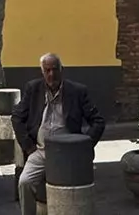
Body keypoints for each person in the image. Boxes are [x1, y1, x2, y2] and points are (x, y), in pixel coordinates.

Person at [12, 53, 104, 213]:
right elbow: (17, 117)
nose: (51, 74)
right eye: (47, 70)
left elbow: (98, 121)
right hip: (40, 151)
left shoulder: (77, 91)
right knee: (24, 182)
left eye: (55, 69)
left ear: (62, 70)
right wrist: (28, 146)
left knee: (74, 194)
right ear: (42, 72)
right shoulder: (33, 89)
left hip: (68, 153)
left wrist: (84, 145)